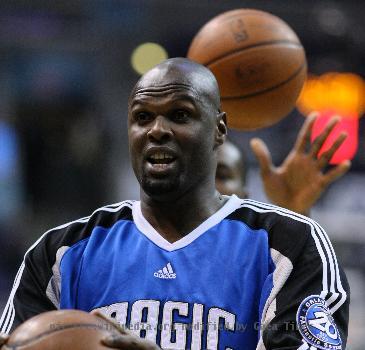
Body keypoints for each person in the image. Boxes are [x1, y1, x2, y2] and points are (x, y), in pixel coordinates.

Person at [0, 58, 349, 350]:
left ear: (219, 129)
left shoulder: (292, 243)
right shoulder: (60, 252)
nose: (156, 130)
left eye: (179, 115)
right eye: (142, 117)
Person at [216, 114, 351, 216]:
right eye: (197, 173)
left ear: (243, 197)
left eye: (221, 175)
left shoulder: (259, 248)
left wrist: (293, 211)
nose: (206, 185)